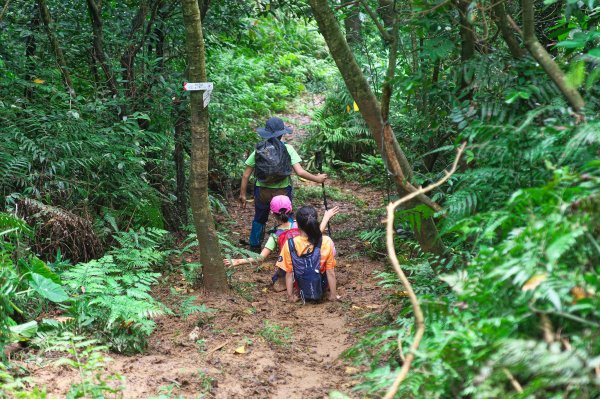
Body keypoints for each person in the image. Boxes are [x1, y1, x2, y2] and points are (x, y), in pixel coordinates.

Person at [239, 117, 327, 251]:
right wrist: (317, 179)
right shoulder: (288, 148)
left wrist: (243, 194)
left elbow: (246, 174)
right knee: (286, 218)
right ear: (282, 133)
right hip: (282, 192)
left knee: (259, 218)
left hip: (262, 191)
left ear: (266, 133)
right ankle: (290, 245)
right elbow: (300, 172)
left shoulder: (259, 149)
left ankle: (255, 247)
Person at [224, 195, 339, 290]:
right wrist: (326, 217)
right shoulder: (301, 225)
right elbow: (317, 232)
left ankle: (286, 282)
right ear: (291, 209)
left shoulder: (275, 234)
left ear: (273, 213)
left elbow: (260, 257)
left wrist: (238, 261)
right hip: (310, 267)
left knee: (281, 273)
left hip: (290, 270)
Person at [275, 206, 339, 303]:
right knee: (327, 269)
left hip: (301, 285)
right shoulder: (326, 241)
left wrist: (290, 296)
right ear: (315, 222)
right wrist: (333, 296)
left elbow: (289, 273)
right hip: (321, 284)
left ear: (297, 224)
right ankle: (328, 292)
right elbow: (330, 272)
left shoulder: (290, 243)